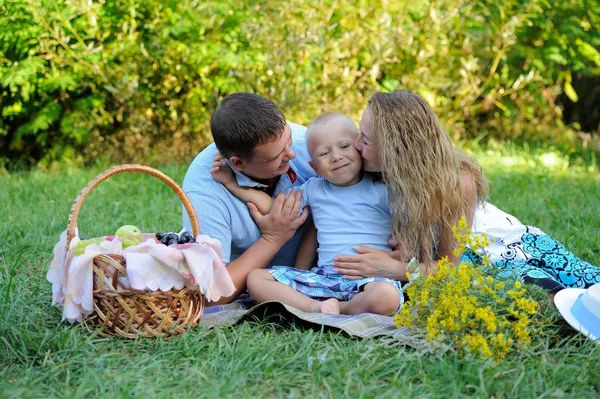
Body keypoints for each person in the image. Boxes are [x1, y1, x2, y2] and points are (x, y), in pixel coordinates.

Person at [333, 89, 600, 293]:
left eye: (365, 140)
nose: (355, 145)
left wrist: (397, 269)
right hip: (452, 265)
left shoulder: (456, 184)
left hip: (507, 247)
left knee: (577, 288)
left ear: (397, 151)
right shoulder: (377, 177)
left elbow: (450, 266)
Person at [210, 112, 402, 315]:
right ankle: (315, 307)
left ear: (359, 148)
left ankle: (342, 308)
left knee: (387, 296)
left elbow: (413, 223)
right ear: (315, 167)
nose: (336, 157)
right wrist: (232, 184)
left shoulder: (383, 189)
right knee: (256, 279)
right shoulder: (314, 189)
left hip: (371, 278)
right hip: (325, 279)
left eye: (345, 147)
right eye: (324, 154)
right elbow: (277, 208)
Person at [182, 93, 316, 304]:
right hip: (257, 284)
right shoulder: (205, 191)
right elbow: (210, 296)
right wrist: (272, 239)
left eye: (288, 140)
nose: (291, 155)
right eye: (276, 157)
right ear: (238, 164)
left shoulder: (307, 144)